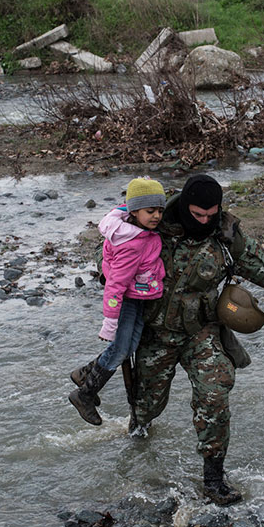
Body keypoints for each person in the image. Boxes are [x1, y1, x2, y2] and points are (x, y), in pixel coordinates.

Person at [130, 174, 264, 505]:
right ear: (185, 207)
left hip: (201, 332)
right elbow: (108, 252)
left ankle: (214, 478)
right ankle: (138, 433)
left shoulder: (227, 238)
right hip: (155, 334)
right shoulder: (152, 224)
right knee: (147, 406)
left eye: (211, 214)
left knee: (215, 392)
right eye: (198, 215)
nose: (205, 221)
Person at [68, 178, 168, 426]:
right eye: (150, 211)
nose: (156, 216)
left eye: (160, 210)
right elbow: (115, 284)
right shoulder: (131, 244)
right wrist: (109, 323)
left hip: (136, 296)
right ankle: (85, 394)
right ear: (133, 211)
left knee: (130, 345)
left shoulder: (135, 227)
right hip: (125, 300)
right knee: (121, 349)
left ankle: (85, 373)